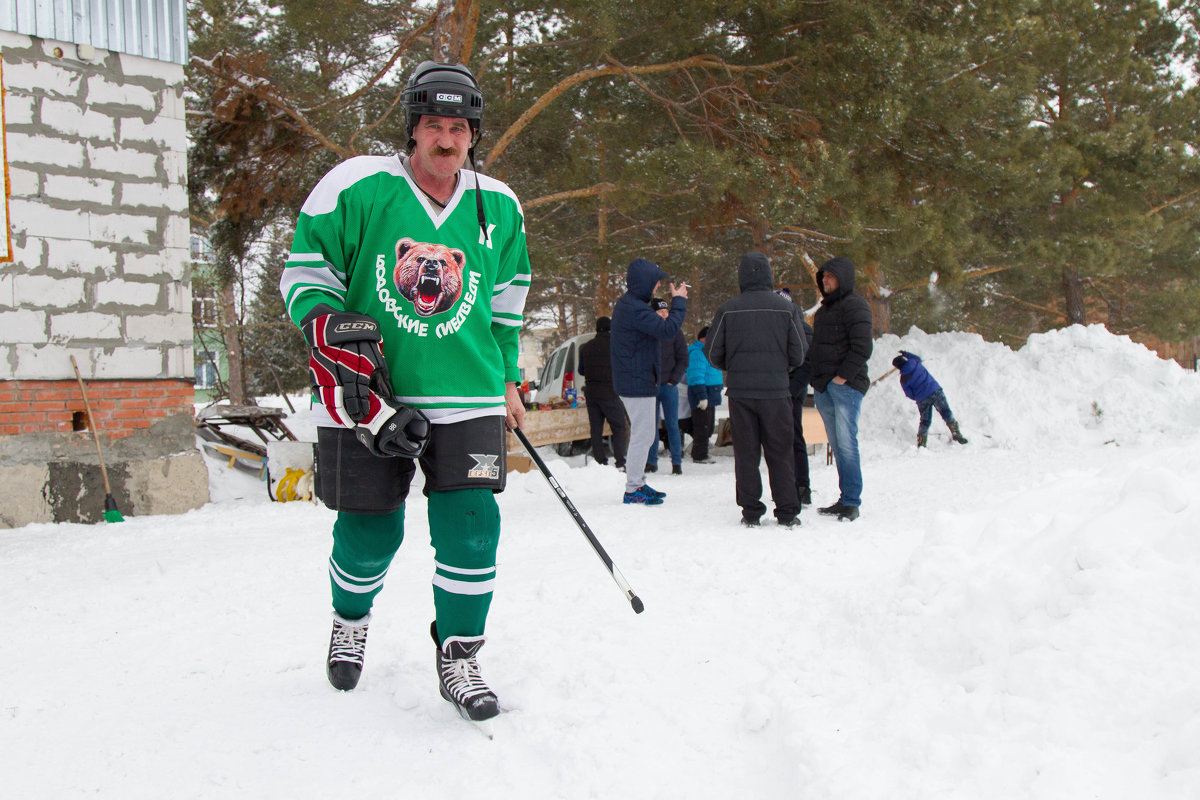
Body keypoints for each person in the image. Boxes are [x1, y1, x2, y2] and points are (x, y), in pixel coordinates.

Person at [278, 61, 530, 725]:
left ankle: (459, 655)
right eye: (432, 127)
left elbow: (506, 306)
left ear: (473, 134)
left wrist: (506, 378)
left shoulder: (498, 205)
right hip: (367, 394)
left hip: (467, 393)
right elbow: (306, 274)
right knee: (368, 533)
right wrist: (331, 332)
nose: (445, 141)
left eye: (458, 128)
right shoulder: (356, 187)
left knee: (473, 530)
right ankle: (350, 617)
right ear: (412, 130)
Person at [705, 252, 806, 528]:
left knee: (747, 454)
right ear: (769, 275)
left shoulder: (727, 309)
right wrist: (779, 367)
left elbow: (712, 353)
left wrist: (735, 367)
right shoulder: (786, 309)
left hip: (741, 393)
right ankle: (787, 511)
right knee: (781, 451)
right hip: (776, 392)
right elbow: (798, 354)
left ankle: (751, 511)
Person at [610, 258, 687, 505]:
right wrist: (679, 302)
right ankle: (633, 489)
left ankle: (638, 482)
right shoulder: (634, 308)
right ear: (645, 282)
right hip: (636, 382)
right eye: (655, 282)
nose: (657, 286)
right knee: (643, 436)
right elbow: (667, 330)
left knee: (646, 435)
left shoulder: (632, 305)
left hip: (638, 380)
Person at [809, 256, 872, 522]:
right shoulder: (823, 312)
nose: (825, 280)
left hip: (845, 387)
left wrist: (842, 378)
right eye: (823, 277)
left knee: (846, 444)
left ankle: (851, 502)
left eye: (831, 276)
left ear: (843, 278)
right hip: (824, 388)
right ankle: (844, 498)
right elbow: (817, 349)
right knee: (837, 445)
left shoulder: (855, 305)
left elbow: (862, 347)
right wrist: (817, 380)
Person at [777, 288, 815, 505]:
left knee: (794, 437)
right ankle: (786, 484)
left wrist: (791, 390)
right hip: (776, 389)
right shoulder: (774, 326)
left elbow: (807, 363)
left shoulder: (803, 329)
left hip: (793, 391)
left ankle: (802, 486)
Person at [578, 316, 628, 469]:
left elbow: (581, 370)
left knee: (596, 429)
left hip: (591, 393)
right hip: (610, 392)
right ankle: (620, 462)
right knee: (619, 427)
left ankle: (600, 461)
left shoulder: (586, 347)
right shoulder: (616, 346)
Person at [645, 298, 688, 476]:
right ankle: (651, 461)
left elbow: (683, 359)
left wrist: (674, 380)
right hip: (650, 387)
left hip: (669, 386)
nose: (664, 314)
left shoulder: (675, 331)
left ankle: (676, 462)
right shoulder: (646, 333)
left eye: (666, 311)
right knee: (651, 426)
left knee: (672, 424)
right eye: (660, 312)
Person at [892, 350, 968, 447]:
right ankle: (956, 434)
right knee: (946, 412)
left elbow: (908, 394)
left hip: (922, 399)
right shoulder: (915, 362)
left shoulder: (903, 379)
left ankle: (921, 443)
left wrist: (917, 396)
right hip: (935, 391)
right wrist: (906, 353)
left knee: (925, 421)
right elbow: (917, 357)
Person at [686, 326, 722, 463]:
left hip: (711, 393)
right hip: (703, 393)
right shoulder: (698, 353)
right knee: (702, 426)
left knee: (708, 426)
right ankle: (700, 455)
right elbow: (696, 375)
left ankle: (701, 451)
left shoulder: (708, 352)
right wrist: (702, 396)